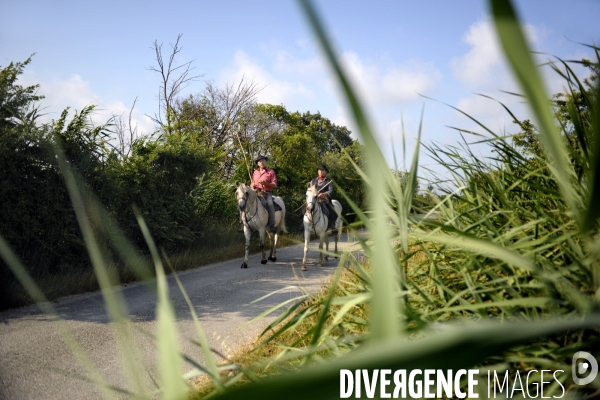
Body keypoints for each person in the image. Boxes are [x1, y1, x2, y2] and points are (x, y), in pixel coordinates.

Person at [251, 155, 278, 232]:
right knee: (246, 202)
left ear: (266, 161)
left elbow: (274, 185)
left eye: (263, 160)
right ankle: (244, 223)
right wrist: (252, 185)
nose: (261, 162)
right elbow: (252, 183)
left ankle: (272, 224)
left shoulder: (271, 172)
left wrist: (265, 183)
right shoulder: (255, 172)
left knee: (270, 204)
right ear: (257, 164)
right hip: (256, 192)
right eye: (260, 161)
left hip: (266, 193)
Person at [309, 165, 338, 231]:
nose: (320, 171)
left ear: (325, 172)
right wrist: (315, 193)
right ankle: (304, 224)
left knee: (330, 209)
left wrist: (323, 194)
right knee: (305, 207)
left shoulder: (328, 181)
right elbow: (311, 190)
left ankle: (332, 225)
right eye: (319, 170)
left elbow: (330, 191)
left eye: (322, 170)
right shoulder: (313, 181)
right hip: (314, 198)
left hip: (325, 199)